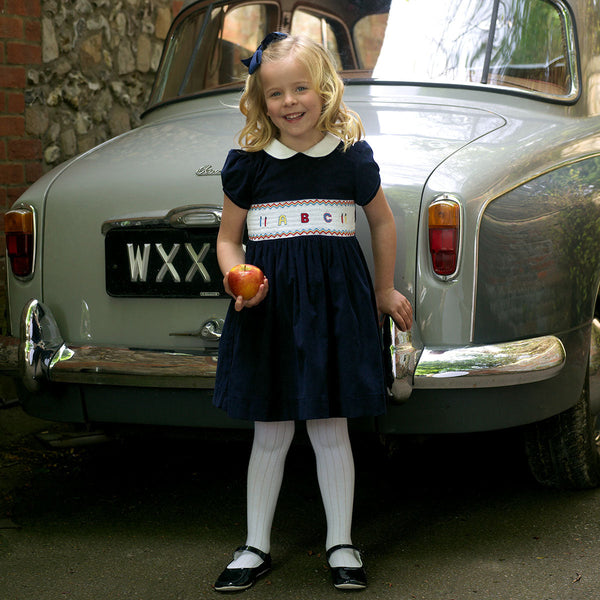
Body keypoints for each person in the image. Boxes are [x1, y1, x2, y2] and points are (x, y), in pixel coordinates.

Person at [212, 32, 412, 592]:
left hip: (334, 309)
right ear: (261, 101)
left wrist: (383, 290)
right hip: (270, 310)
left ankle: (341, 543)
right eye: (275, 93)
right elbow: (227, 239)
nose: (289, 101)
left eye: (300, 88)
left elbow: (381, 221)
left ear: (324, 89)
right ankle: (254, 545)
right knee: (271, 431)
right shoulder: (248, 165)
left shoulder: (350, 158)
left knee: (330, 428)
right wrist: (236, 277)